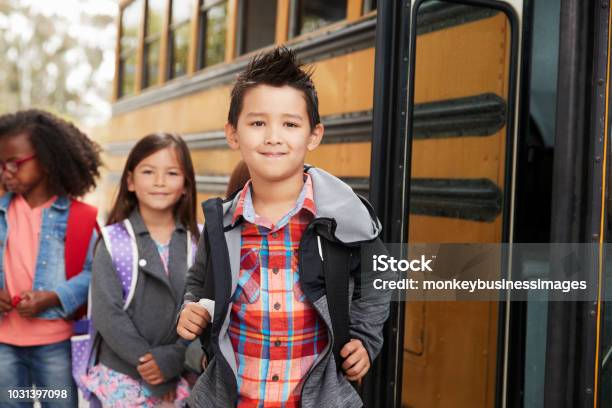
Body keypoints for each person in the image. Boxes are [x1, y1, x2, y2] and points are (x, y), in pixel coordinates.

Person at [177, 47, 391, 408]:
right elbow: (198, 285)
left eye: (290, 124)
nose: (273, 137)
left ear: (313, 135)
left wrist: (365, 339)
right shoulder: (222, 225)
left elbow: (381, 277)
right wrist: (191, 309)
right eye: (258, 123)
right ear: (233, 133)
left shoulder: (344, 219)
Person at [84, 133, 200, 407]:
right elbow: (107, 313)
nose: (159, 182)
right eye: (148, 172)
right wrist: (151, 365)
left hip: (182, 377)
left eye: (172, 173)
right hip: (123, 380)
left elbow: (205, 308)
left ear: (185, 185)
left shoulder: (198, 242)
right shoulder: (113, 240)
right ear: (130, 181)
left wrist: (173, 360)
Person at [0, 109, 102, 407]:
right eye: (1, 163)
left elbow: (95, 272)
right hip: (4, 342)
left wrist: (55, 297)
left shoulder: (79, 218)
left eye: (14, 163)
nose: (6, 171)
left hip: (55, 343)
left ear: (46, 160)